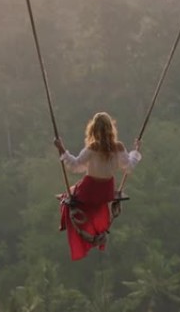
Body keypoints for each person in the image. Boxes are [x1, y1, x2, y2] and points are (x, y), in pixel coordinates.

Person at [54, 112, 142, 261]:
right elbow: (128, 167)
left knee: (69, 198)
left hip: (88, 191)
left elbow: (75, 166)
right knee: (79, 199)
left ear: (93, 130)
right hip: (106, 191)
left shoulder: (92, 148)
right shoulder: (118, 147)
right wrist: (136, 150)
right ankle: (92, 232)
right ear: (110, 129)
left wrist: (62, 148)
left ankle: (71, 226)